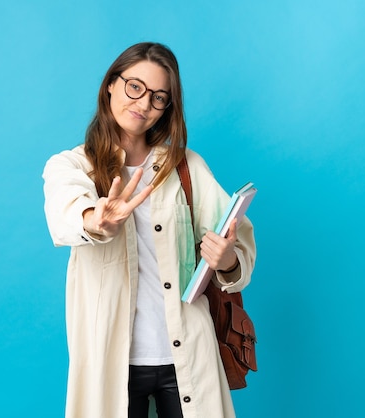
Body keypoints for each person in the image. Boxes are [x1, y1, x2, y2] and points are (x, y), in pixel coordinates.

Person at [43, 42, 256, 418]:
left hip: (186, 352)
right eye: (135, 87)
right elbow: (66, 213)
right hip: (112, 359)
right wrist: (97, 220)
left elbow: (237, 244)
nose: (143, 104)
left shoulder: (185, 167)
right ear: (111, 83)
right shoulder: (72, 165)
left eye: (159, 97)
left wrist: (226, 260)